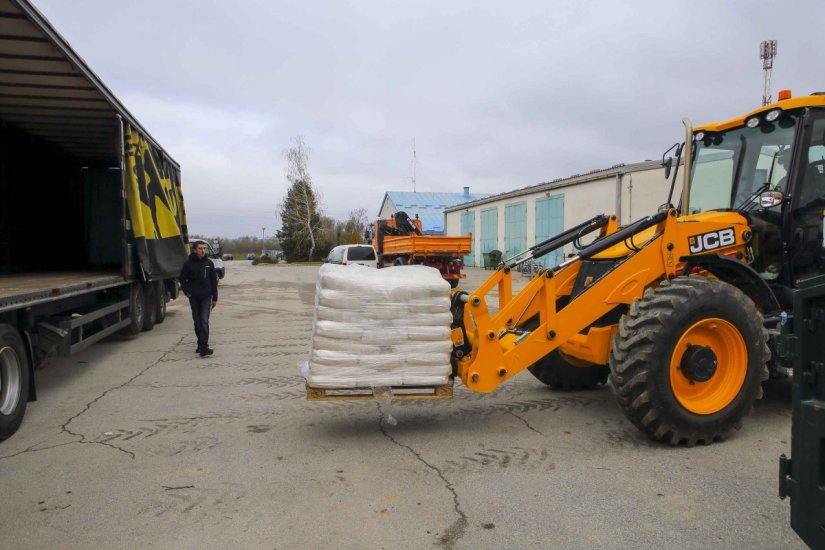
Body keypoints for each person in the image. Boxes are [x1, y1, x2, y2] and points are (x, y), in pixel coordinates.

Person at [179, 241, 218, 356]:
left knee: (204, 321)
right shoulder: (188, 264)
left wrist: (214, 298)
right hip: (194, 297)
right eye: (200, 248)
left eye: (204, 248)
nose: (202, 250)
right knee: (197, 322)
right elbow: (182, 279)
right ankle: (200, 344)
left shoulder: (209, 263)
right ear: (195, 250)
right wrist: (187, 292)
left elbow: (213, 281)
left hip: (206, 296)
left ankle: (204, 346)